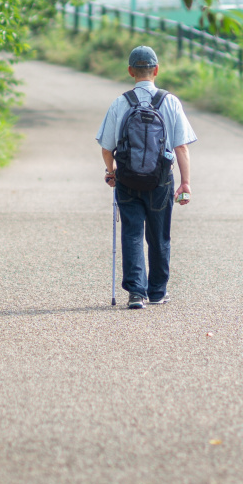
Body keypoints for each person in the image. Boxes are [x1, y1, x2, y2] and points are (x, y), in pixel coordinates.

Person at [97, 46, 195, 309]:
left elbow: (107, 148)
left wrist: (111, 171)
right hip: (161, 179)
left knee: (131, 233)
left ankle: (135, 293)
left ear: (130, 71)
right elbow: (182, 147)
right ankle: (157, 292)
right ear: (156, 70)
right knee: (159, 235)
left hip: (127, 179)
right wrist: (185, 183)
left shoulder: (120, 103)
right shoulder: (170, 101)